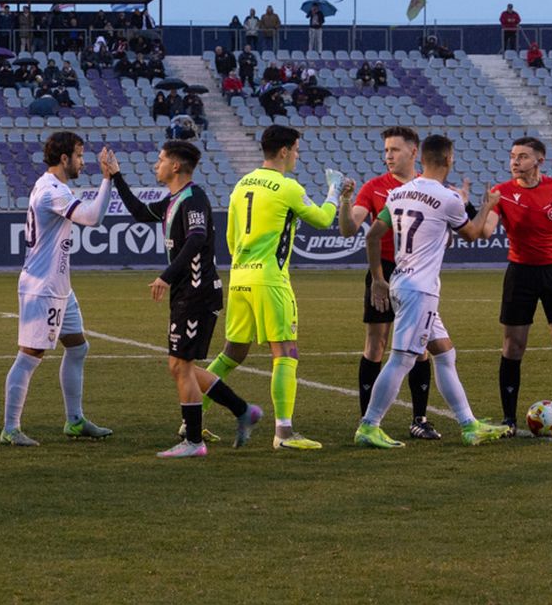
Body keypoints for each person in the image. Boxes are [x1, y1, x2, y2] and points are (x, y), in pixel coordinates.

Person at [101, 141, 263, 456]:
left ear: (176, 166)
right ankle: (243, 410)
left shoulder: (194, 198)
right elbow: (137, 211)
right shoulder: (174, 200)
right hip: (187, 293)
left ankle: (194, 442)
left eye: (160, 160)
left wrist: (166, 275)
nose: (156, 165)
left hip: (198, 292)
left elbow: (197, 238)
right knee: (179, 366)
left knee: (181, 366)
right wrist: (116, 176)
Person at [356, 136, 511, 448]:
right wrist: (487, 207)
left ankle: (469, 425)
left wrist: (378, 278)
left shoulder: (398, 193)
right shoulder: (447, 198)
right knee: (401, 359)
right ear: (449, 159)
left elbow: (373, 235)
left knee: (445, 353)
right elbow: (474, 234)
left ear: (421, 158)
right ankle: (369, 426)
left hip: (400, 282)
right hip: (420, 290)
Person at [201, 125, 342, 450]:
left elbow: (231, 239)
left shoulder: (241, 185)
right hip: (270, 281)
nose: (297, 155)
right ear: (283, 151)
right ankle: (284, 433)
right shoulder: (287, 187)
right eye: (296, 150)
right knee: (286, 352)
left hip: (239, 278)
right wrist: (333, 191)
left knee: (232, 353)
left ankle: (191, 419)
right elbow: (322, 219)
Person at [3, 131, 115, 446]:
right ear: (64, 158)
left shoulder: (53, 187)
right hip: (43, 286)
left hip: (59, 285)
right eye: (79, 156)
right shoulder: (52, 191)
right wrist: (108, 179)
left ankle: (75, 421)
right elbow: (92, 218)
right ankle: (10, 428)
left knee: (78, 347)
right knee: (30, 356)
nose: (83, 162)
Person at [481, 136, 552, 437]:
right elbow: (486, 229)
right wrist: (485, 208)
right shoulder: (502, 193)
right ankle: (509, 419)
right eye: (512, 156)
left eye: (522, 156)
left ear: (539, 161)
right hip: (520, 274)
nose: (515, 162)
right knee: (513, 346)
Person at [336, 127, 438, 438]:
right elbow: (349, 229)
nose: (388, 156)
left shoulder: (429, 186)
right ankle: (368, 421)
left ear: (413, 152)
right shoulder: (375, 187)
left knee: (420, 347)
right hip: (383, 269)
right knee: (376, 343)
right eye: (386, 150)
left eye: (394, 150)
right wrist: (345, 201)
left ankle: (419, 420)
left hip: (418, 273)